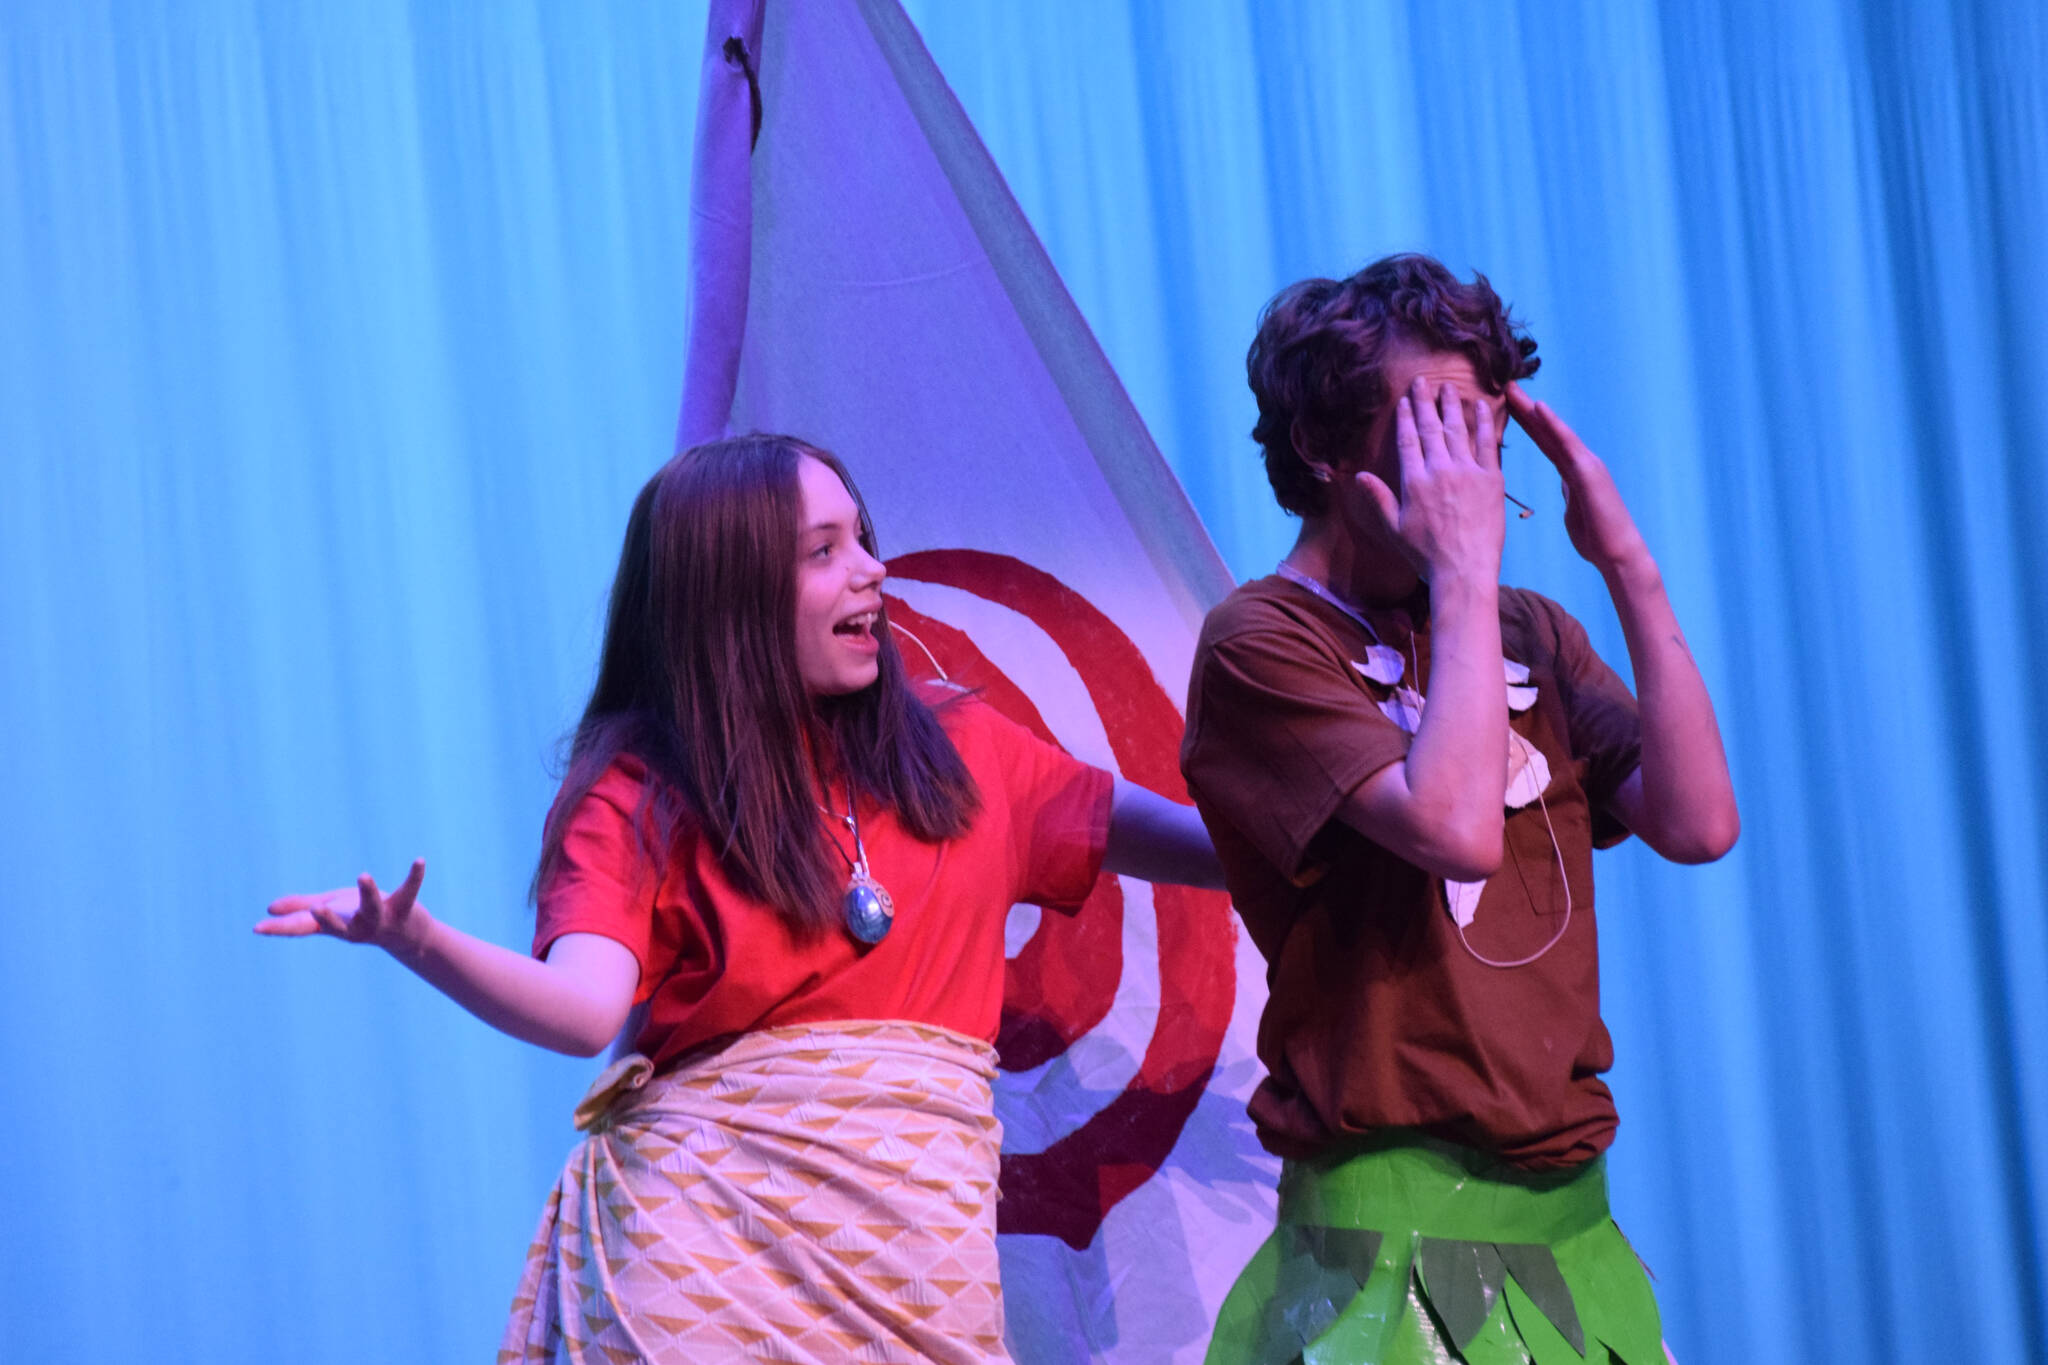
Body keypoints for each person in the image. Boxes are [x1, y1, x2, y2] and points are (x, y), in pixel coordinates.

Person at [258, 433, 1222, 1365]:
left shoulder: (967, 750)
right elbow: (585, 1008)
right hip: (700, 1262)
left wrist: (1350, 803)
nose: (871, 571)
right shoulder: (639, 789)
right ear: (733, 597)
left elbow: (1217, 846)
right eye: (823, 551)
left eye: (862, 537)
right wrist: (418, 939)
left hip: (924, 1270)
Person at [1181, 255, 1738, 1365]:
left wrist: (1624, 562)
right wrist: (1461, 570)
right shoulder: (1263, 641)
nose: (1470, 469)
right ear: (1322, 449)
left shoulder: (1525, 626)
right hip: (1385, 1225)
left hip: (1565, 1213)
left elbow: (1696, 824)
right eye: (1433, 424)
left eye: (1481, 428)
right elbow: (1455, 832)